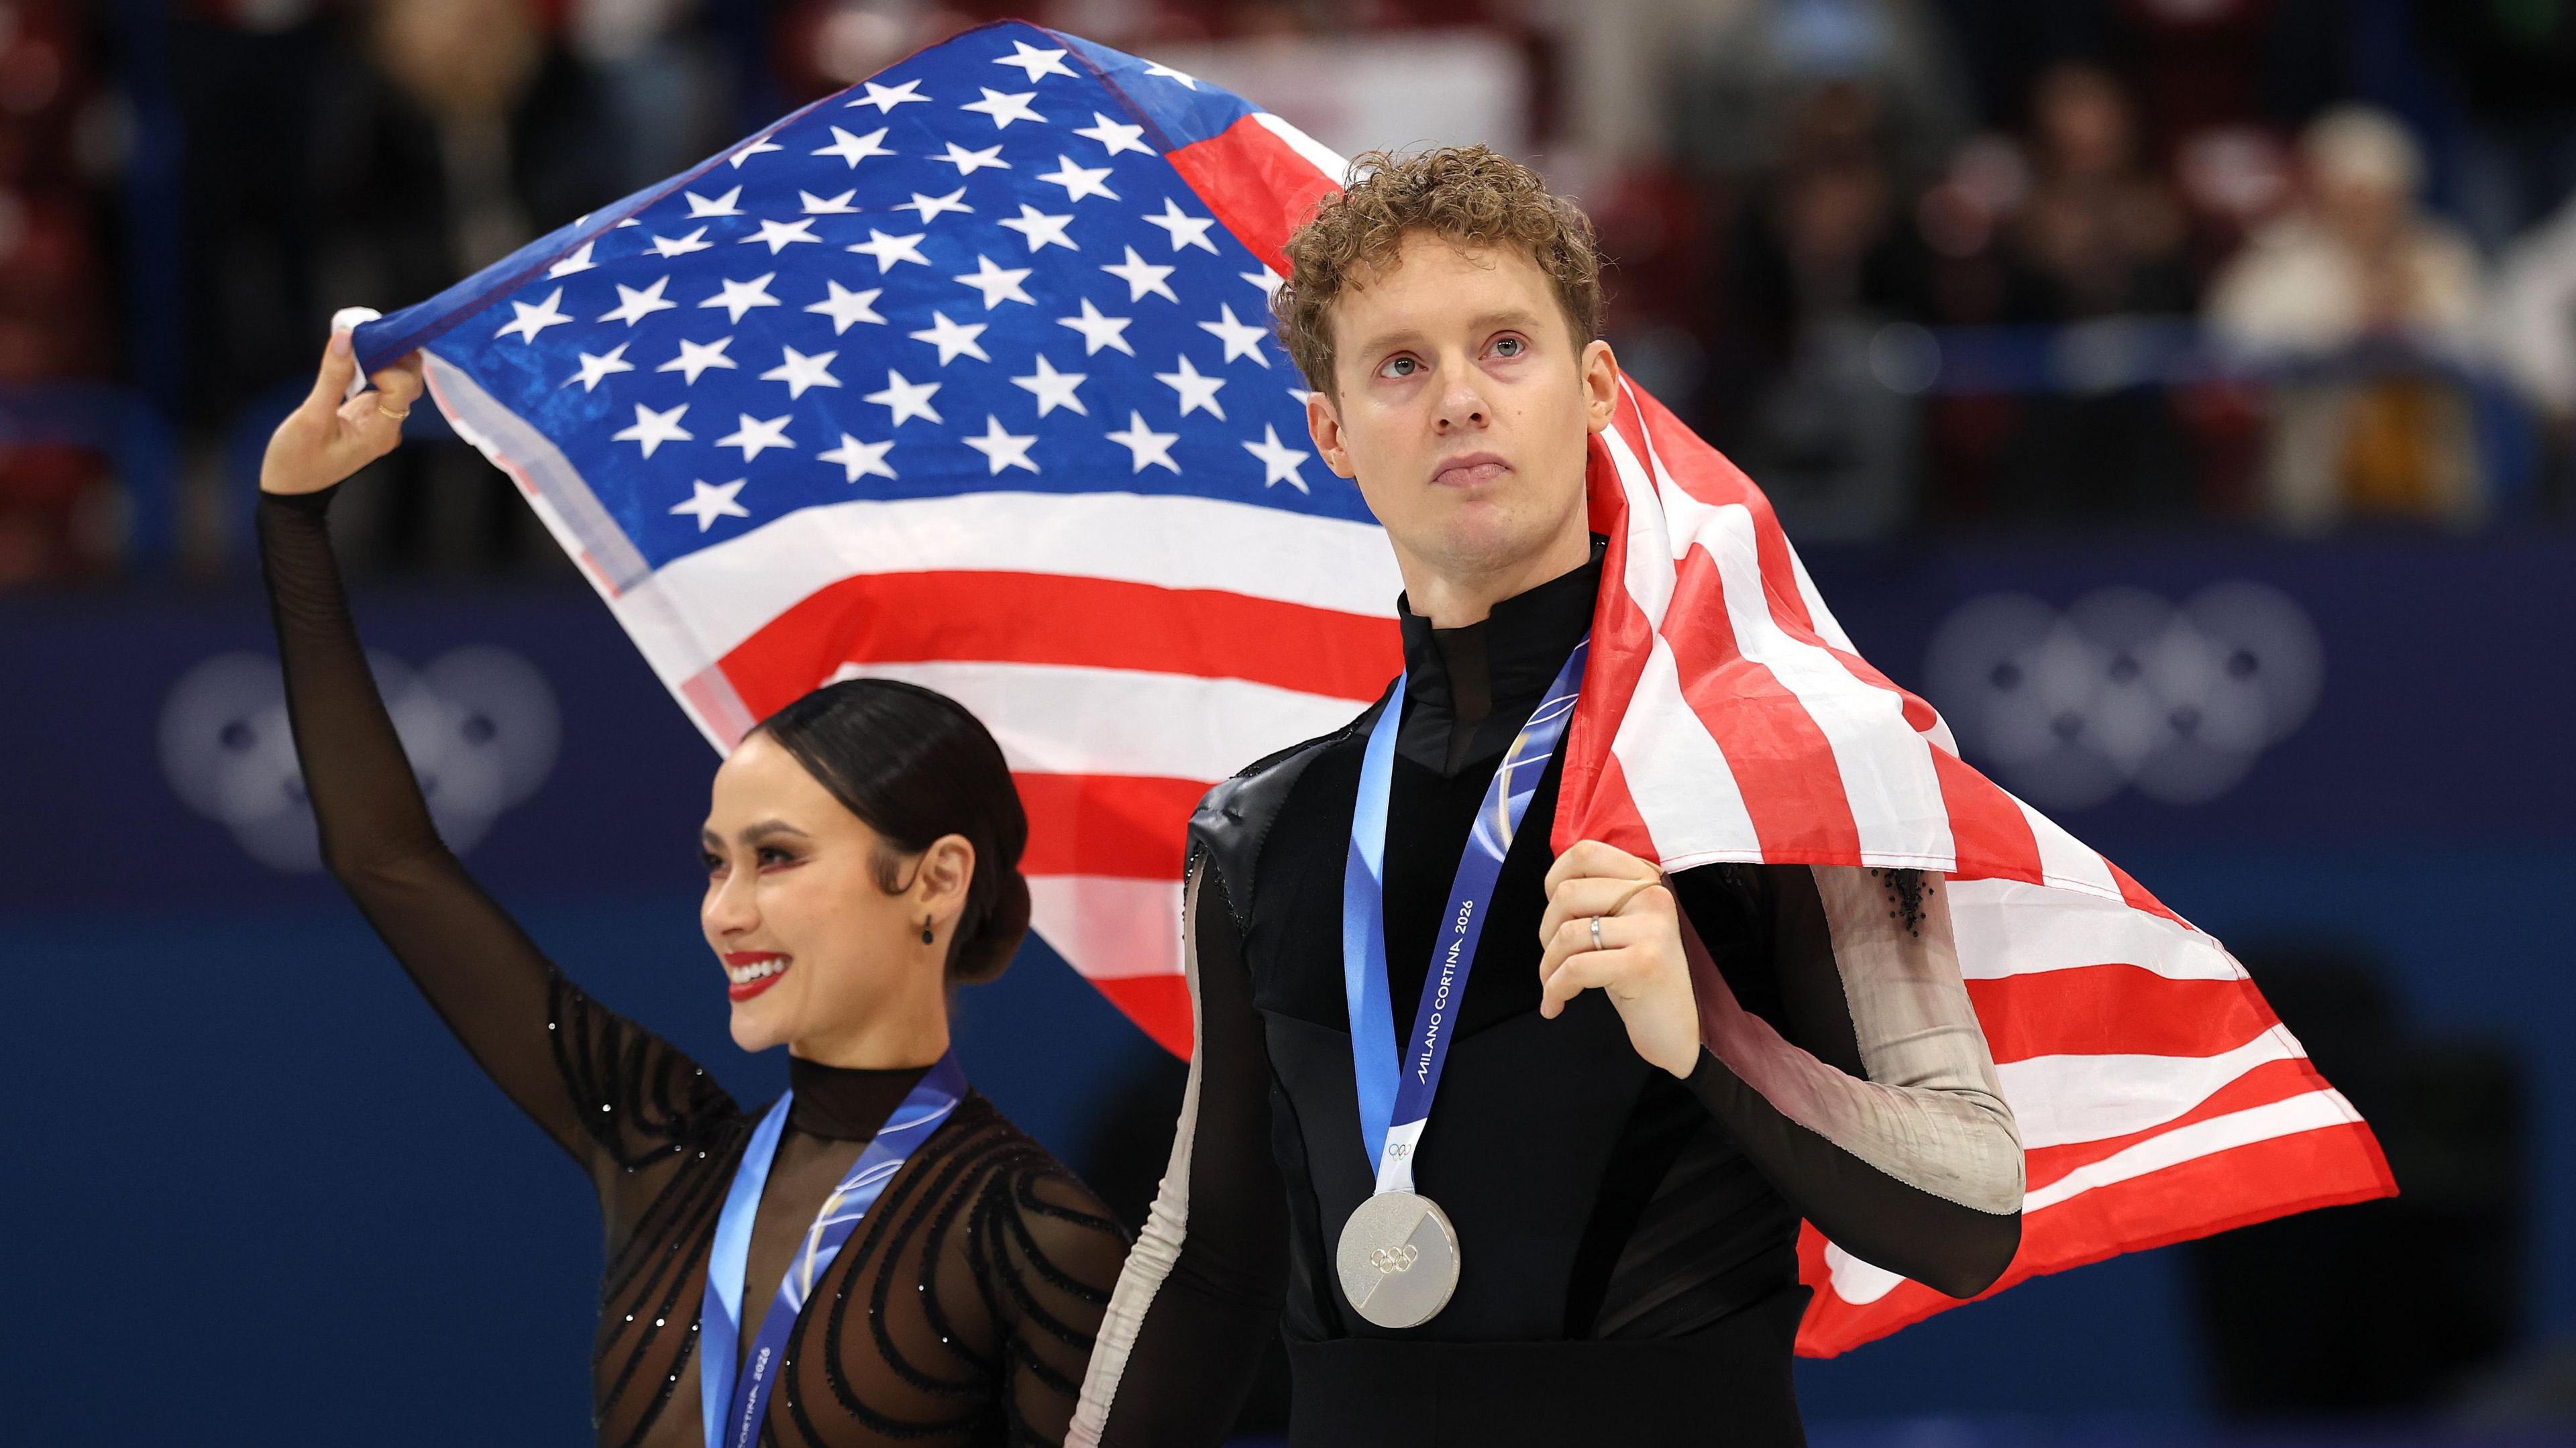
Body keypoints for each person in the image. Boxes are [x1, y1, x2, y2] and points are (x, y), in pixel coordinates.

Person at [1068, 146, 2023, 1447]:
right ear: (1332, 432)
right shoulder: (1259, 837)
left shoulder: (1771, 768)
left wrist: (1713, 1036)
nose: (1459, 399)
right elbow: (1204, 1254)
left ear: (1593, 390)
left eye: (1503, 346)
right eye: (1401, 365)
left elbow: (1973, 1211)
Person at [255, 331, 1130, 1447]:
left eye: (776, 857)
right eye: (716, 863)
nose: (725, 910)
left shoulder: (1036, 1234)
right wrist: (292, 518)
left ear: (935, 879)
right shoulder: (659, 1147)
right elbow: (389, 859)